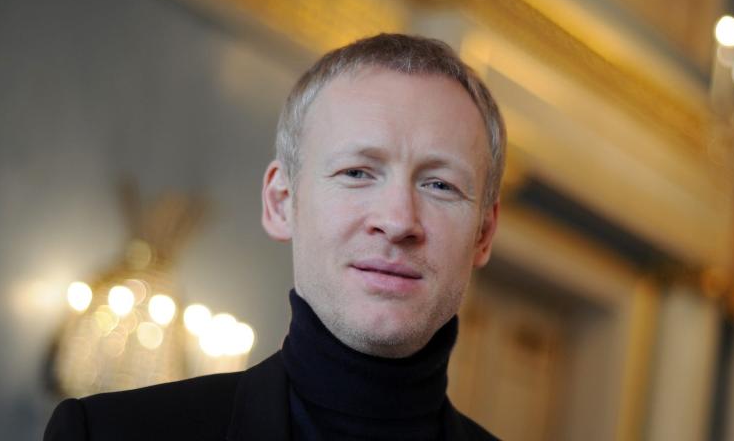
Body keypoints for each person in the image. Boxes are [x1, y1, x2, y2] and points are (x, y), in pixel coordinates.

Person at [44, 33, 505, 440]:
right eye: (358, 172)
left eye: (440, 185)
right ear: (281, 203)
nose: (399, 220)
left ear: (483, 234)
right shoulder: (106, 433)